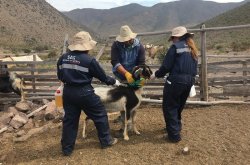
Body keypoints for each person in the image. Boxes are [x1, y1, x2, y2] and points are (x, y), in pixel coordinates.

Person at [57, 31, 120, 156]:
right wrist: (114, 82)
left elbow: (60, 75)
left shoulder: (63, 58)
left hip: (68, 92)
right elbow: (103, 77)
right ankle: (106, 141)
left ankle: (67, 148)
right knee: (100, 114)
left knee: (70, 120)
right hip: (84, 92)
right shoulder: (89, 60)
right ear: (86, 46)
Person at [151, 26, 198, 143]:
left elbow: (166, 66)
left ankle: (174, 136)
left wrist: (156, 74)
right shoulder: (192, 48)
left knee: (169, 106)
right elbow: (194, 68)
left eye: (172, 38)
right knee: (179, 105)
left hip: (176, 81)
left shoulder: (175, 47)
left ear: (177, 37)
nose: (172, 40)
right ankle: (176, 127)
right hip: (189, 81)